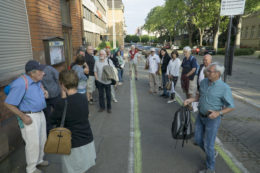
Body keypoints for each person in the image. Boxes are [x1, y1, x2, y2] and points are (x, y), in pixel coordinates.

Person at [184, 63, 235, 173]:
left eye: (209, 71)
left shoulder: (224, 88)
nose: (206, 73)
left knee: (208, 144)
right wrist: (191, 100)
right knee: (197, 140)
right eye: (207, 70)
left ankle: (210, 168)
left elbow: (231, 106)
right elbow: (199, 96)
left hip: (212, 119)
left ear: (218, 73)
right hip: (200, 116)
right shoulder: (203, 82)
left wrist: (218, 113)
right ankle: (211, 153)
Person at [4, 60, 49, 173]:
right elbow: (8, 103)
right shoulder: (21, 83)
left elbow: (39, 93)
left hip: (40, 113)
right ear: (32, 73)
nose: (43, 73)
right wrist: (23, 117)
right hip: (29, 116)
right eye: (41, 71)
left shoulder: (37, 81)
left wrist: (45, 93)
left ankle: (39, 160)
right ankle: (31, 168)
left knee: (42, 139)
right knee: (32, 143)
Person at [51, 70, 96, 173]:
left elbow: (52, 119)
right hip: (87, 138)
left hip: (72, 143)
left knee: (72, 169)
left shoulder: (61, 103)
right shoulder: (83, 98)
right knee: (82, 168)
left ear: (62, 85)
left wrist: (62, 97)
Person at [42, 65, 62, 134]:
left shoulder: (49, 69)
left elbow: (59, 79)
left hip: (55, 95)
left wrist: (61, 91)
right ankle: (50, 134)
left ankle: (60, 130)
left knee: (59, 113)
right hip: (45, 97)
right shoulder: (36, 73)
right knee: (47, 116)